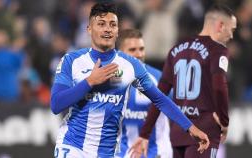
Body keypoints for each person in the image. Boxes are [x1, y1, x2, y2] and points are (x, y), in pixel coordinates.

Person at [50, 2, 209, 158]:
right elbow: (56, 104)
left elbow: (160, 99)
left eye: (112, 24)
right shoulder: (71, 61)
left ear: (118, 31)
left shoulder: (130, 65)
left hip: (108, 151)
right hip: (72, 146)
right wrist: (89, 81)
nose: (107, 29)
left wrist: (190, 128)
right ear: (89, 29)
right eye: (101, 24)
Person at [133, 3, 237, 158]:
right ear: (221, 25)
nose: (232, 35)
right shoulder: (218, 51)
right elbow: (220, 86)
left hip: (177, 133)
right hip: (204, 133)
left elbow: (158, 95)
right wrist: (224, 120)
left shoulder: (177, 49)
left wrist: (145, 133)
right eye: (232, 29)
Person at [115, 29, 172, 158]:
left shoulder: (158, 79)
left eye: (141, 49)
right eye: (132, 50)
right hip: (123, 152)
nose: (139, 54)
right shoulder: (110, 81)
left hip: (156, 152)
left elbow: (179, 107)